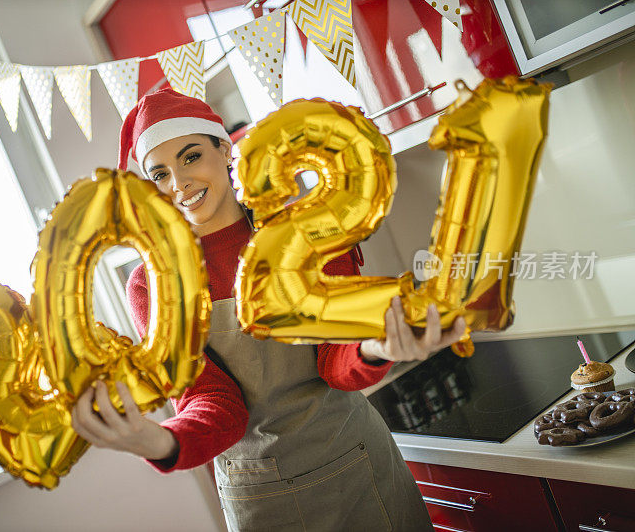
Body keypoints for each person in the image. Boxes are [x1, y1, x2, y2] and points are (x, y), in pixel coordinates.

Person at [71, 89, 466, 531]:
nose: (178, 184)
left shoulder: (303, 232)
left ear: (224, 149)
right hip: (260, 497)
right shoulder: (154, 284)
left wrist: (373, 346)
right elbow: (212, 400)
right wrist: (162, 441)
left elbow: (336, 361)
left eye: (190, 157)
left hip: (358, 467)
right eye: (159, 174)